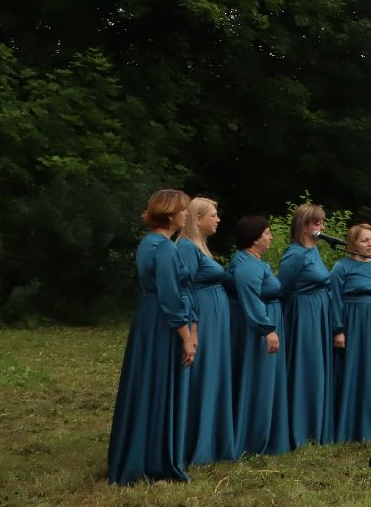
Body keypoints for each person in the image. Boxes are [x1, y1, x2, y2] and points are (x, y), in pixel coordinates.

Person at [107, 189, 197, 485]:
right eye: (182, 209)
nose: (186, 214)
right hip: (162, 320)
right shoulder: (165, 248)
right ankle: (155, 462)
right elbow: (170, 296)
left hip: (148, 315)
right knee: (159, 385)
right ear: (169, 214)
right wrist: (186, 335)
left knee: (146, 383)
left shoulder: (148, 243)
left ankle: (140, 453)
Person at [178, 197, 235, 465]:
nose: (218, 219)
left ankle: (211, 438)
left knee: (213, 372)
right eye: (213, 215)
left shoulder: (200, 246)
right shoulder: (186, 247)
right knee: (202, 373)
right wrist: (193, 328)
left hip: (215, 318)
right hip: (202, 318)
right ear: (198, 219)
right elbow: (184, 289)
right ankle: (194, 442)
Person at [227, 215, 289, 457]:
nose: (271, 237)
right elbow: (250, 298)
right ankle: (253, 437)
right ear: (254, 239)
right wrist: (267, 328)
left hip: (263, 324)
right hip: (257, 331)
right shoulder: (248, 266)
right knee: (258, 379)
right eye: (267, 233)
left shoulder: (255, 262)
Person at [279, 203, 335, 447]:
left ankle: (316, 424)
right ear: (304, 226)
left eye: (322, 222)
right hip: (303, 314)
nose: (322, 227)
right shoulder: (295, 254)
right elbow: (283, 288)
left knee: (317, 367)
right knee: (306, 366)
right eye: (317, 223)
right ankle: (300, 427)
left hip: (318, 312)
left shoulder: (313, 251)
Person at [329, 222, 371, 442]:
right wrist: (338, 329)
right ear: (353, 243)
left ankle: (368, 427)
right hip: (351, 321)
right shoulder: (341, 267)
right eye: (365, 240)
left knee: (370, 372)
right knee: (350, 370)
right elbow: (334, 299)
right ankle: (346, 427)